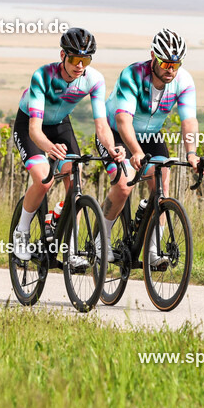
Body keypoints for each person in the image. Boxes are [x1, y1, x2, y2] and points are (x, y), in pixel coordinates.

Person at [11, 27, 124, 267]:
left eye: (86, 59)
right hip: (31, 125)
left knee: (76, 182)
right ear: (63, 55)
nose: (80, 65)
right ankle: (21, 232)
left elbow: (102, 126)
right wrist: (49, 148)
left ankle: (70, 248)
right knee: (44, 179)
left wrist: (113, 149)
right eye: (74, 59)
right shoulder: (43, 76)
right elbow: (34, 130)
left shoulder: (94, 80)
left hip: (61, 124)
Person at [97, 28, 200, 266]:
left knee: (162, 185)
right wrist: (135, 152)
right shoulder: (132, 75)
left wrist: (192, 153)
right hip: (117, 133)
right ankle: (102, 240)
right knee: (124, 185)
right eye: (165, 63)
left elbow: (189, 121)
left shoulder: (183, 81)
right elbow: (123, 120)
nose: (170, 70)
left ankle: (153, 252)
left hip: (151, 136)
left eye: (176, 64)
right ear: (153, 56)